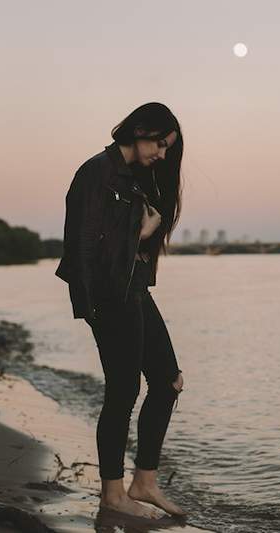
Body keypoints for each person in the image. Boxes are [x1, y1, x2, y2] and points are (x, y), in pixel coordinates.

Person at [55, 102, 187, 519]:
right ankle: (112, 493)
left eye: (168, 149)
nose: (163, 155)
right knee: (123, 389)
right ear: (142, 129)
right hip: (109, 295)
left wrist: (145, 234)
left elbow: (126, 244)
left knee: (169, 382)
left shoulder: (137, 179)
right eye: (161, 145)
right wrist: (91, 308)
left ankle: (144, 482)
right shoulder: (96, 171)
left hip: (135, 291)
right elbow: (81, 245)